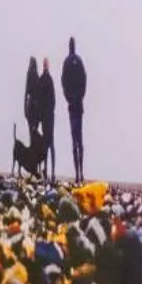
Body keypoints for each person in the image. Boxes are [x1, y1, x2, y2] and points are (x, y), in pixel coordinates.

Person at [62, 37, 88, 183]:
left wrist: (70, 98)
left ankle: (79, 173)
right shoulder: (78, 61)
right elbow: (84, 80)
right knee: (78, 139)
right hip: (76, 104)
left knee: (76, 139)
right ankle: (79, 173)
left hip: (74, 105)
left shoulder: (68, 62)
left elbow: (63, 82)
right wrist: (79, 97)